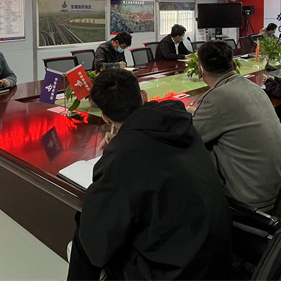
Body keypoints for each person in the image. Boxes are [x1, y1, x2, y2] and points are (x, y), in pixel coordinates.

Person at [67, 68, 233, 280]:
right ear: (143, 95)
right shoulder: (179, 123)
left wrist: (117, 150)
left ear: (106, 117)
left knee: (85, 236)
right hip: (218, 259)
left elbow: (98, 245)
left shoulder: (123, 155)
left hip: (177, 272)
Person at [190, 40, 281, 209]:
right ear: (235, 65)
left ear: (200, 70)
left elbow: (189, 135)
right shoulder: (255, 88)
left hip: (253, 203)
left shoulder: (216, 98)